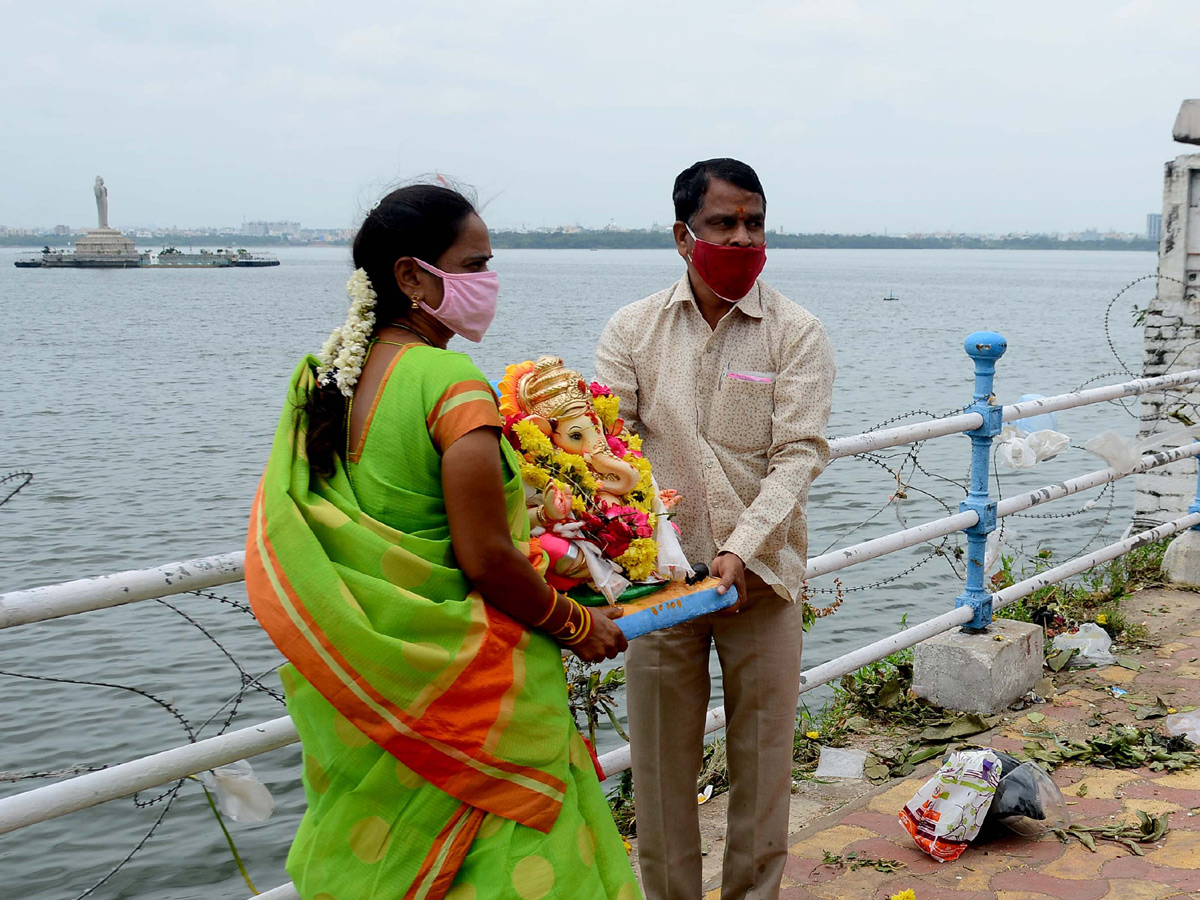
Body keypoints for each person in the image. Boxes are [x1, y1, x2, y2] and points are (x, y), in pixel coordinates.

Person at [245, 183, 642, 900]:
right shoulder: (451, 383)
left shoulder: (330, 381)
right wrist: (579, 625)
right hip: (477, 695)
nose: (488, 281)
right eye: (475, 262)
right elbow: (486, 556)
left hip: (372, 685)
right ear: (410, 276)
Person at [594, 159, 835, 900]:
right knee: (661, 774)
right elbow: (606, 449)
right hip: (660, 590)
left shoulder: (796, 333)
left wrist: (738, 550)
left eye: (753, 222)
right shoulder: (632, 329)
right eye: (723, 223)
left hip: (761, 581)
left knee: (763, 771)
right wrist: (644, 557)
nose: (741, 237)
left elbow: (798, 456)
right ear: (682, 235)